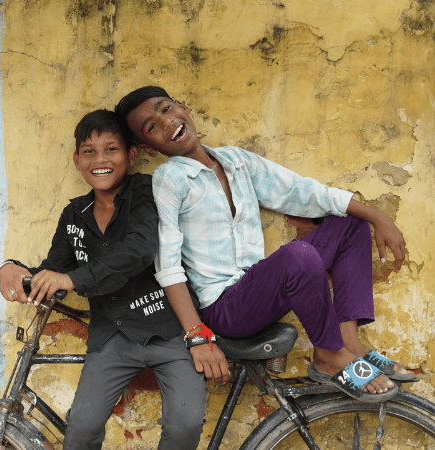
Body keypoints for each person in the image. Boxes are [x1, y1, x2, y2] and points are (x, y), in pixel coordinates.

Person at [114, 86, 414, 403]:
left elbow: (302, 192)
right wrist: (197, 336)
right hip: (225, 309)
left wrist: (376, 216)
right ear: (148, 148)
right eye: (151, 127)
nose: (165, 122)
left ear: (182, 107)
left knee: (349, 224)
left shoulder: (236, 160)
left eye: (165, 109)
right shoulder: (169, 178)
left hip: (259, 289)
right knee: (297, 255)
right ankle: (328, 356)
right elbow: (168, 266)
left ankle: (348, 341)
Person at [0, 110, 207, 450]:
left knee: (185, 425)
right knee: (81, 428)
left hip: (169, 330)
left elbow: (140, 250)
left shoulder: (146, 193)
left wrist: (70, 278)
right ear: (77, 160)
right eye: (89, 152)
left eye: (111, 149)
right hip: (113, 337)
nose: (100, 160)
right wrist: (14, 269)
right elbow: (55, 269)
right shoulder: (74, 215)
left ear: (131, 155)